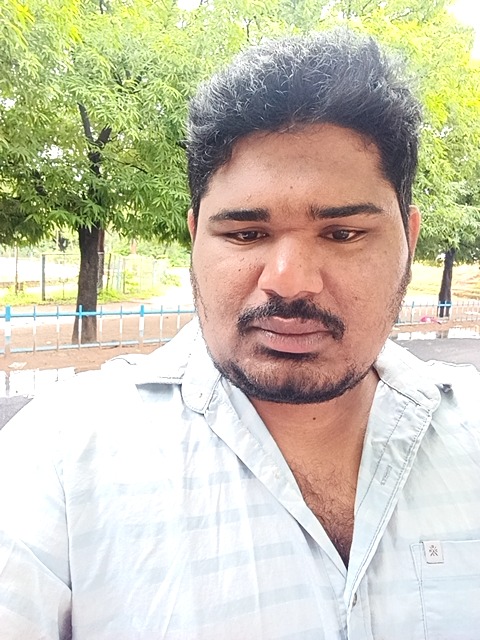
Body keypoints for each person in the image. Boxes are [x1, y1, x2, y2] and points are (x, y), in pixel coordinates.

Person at [0, 30, 479, 640]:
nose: (290, 282)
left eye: (342, 234)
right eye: (246, 234)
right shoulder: (57, 462)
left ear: (408, 239)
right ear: (195, 236)